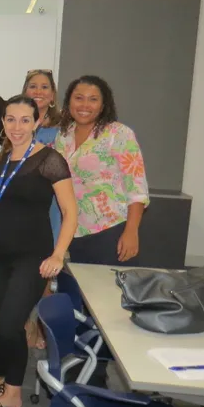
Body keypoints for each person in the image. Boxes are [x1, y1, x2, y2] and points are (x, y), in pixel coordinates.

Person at [0, 95, 77, 407]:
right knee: (13, 327)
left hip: (34, 257)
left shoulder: (50, 159)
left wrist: (59, 254)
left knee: (3, 327)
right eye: (11, 119)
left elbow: (70, 212)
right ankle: (13, 394)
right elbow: (0, 212)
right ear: (2, 123)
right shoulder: (1, 160)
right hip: (1, 257)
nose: (17, 126)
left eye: (24, 120)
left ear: (37, 122)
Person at [54, 75, 149, 266]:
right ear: (69, 101)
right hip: (75, 232)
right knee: (80, 293)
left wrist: (131, 231)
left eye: (93, 99)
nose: (85, 105)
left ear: (103, 105)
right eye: (79, 98)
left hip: (112, 231)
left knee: (108, 294)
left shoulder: (119, 133)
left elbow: (136, 188)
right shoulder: (63, 136)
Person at [21, 68, 62, 350]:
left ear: (53, 94)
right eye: (32, 86)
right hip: (22, 208)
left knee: (47, 272)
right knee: (23, 272)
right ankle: (26, 324)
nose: (38, 91)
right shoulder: (18, 124)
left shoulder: (62, 130)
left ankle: (43, 327)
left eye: (44, 87)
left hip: (51, 207)